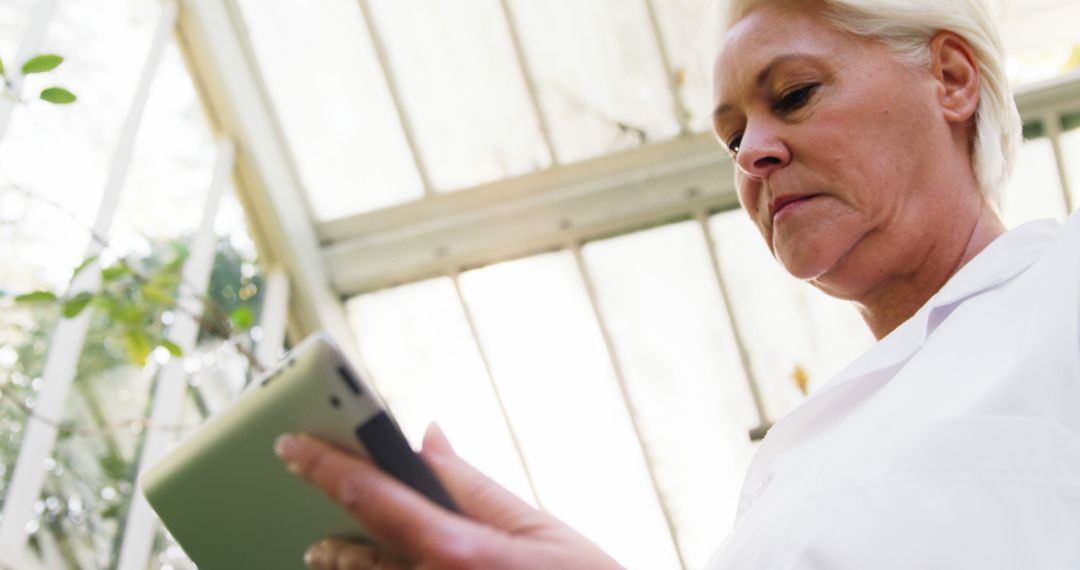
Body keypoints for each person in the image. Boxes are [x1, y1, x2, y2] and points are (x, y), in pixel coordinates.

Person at [274, 0, 1080, 567]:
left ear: (949, 78)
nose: (751, 153)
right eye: (730, 136)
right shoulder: (792, 472)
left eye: (793, 95)